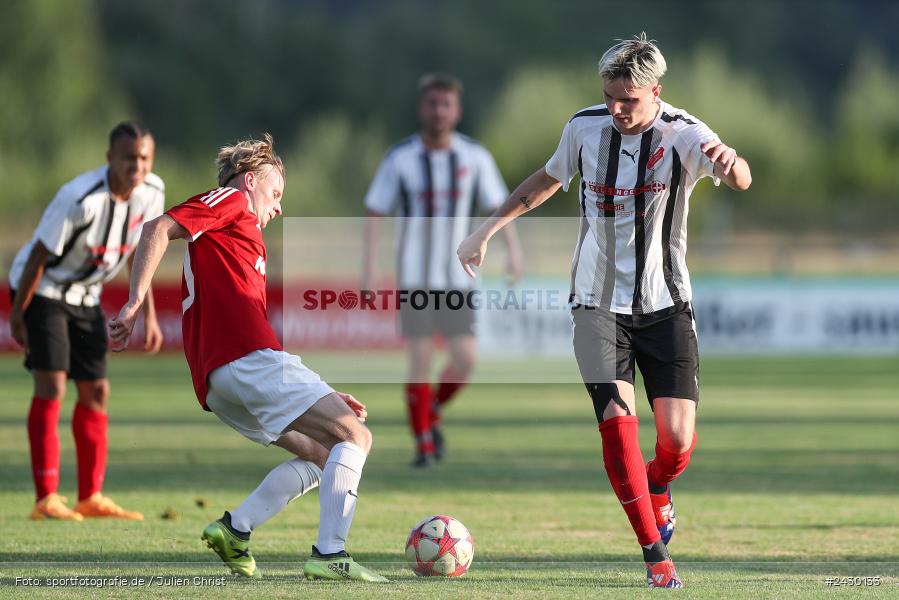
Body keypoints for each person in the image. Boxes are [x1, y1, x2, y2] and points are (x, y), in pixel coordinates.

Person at [457, 34, 752, 588]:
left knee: (677, 442)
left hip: (666, 304)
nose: (616, 109)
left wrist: (733, 163)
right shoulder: (583, 127)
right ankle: (655, 558)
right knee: (617, 427)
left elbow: (741, 179)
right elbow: (545, 180)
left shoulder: (685, 132)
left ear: (655, 93)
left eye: (629, 100)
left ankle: (657, 487)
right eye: (610, 97)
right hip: (595, 306)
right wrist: (486, 230)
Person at [109, 135, 387, 582]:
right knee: (355, 437)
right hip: (244, 362)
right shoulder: (233, 201)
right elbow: (156, 228)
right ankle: (330, 553)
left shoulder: (243, 241)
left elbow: (249, 329)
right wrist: (134, 301)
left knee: (322, 455)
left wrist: (325, 393)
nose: (278, 208)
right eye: (276, 194)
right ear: (251, 180)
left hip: (221, 383)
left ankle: (235, 530)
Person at [363, 73, 523, 467]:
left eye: (446, 104)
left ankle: (429, 410)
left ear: (457, 110)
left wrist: (513, 253)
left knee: (465, 359)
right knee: (419, 359)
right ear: (423, 108)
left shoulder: (474, 157)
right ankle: (424, 445)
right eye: (433, 103)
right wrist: (369, 266)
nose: (439, 111)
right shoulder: (399, 158)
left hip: (459, 276)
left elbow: (500, 208)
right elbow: (375, 211)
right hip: (415, 276)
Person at [8, 122, 165, 521]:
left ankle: (90, 496)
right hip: (45, 291)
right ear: (110, 157)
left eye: (144, 157)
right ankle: (46, 499)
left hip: (87, 298)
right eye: (129, 157)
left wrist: (146, 313)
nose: (137, 165)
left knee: (97, 391)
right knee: (53, 383)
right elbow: (40, 256)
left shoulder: (153, 193)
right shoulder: (80, 197)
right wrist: (17, 312)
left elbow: (138, 253)